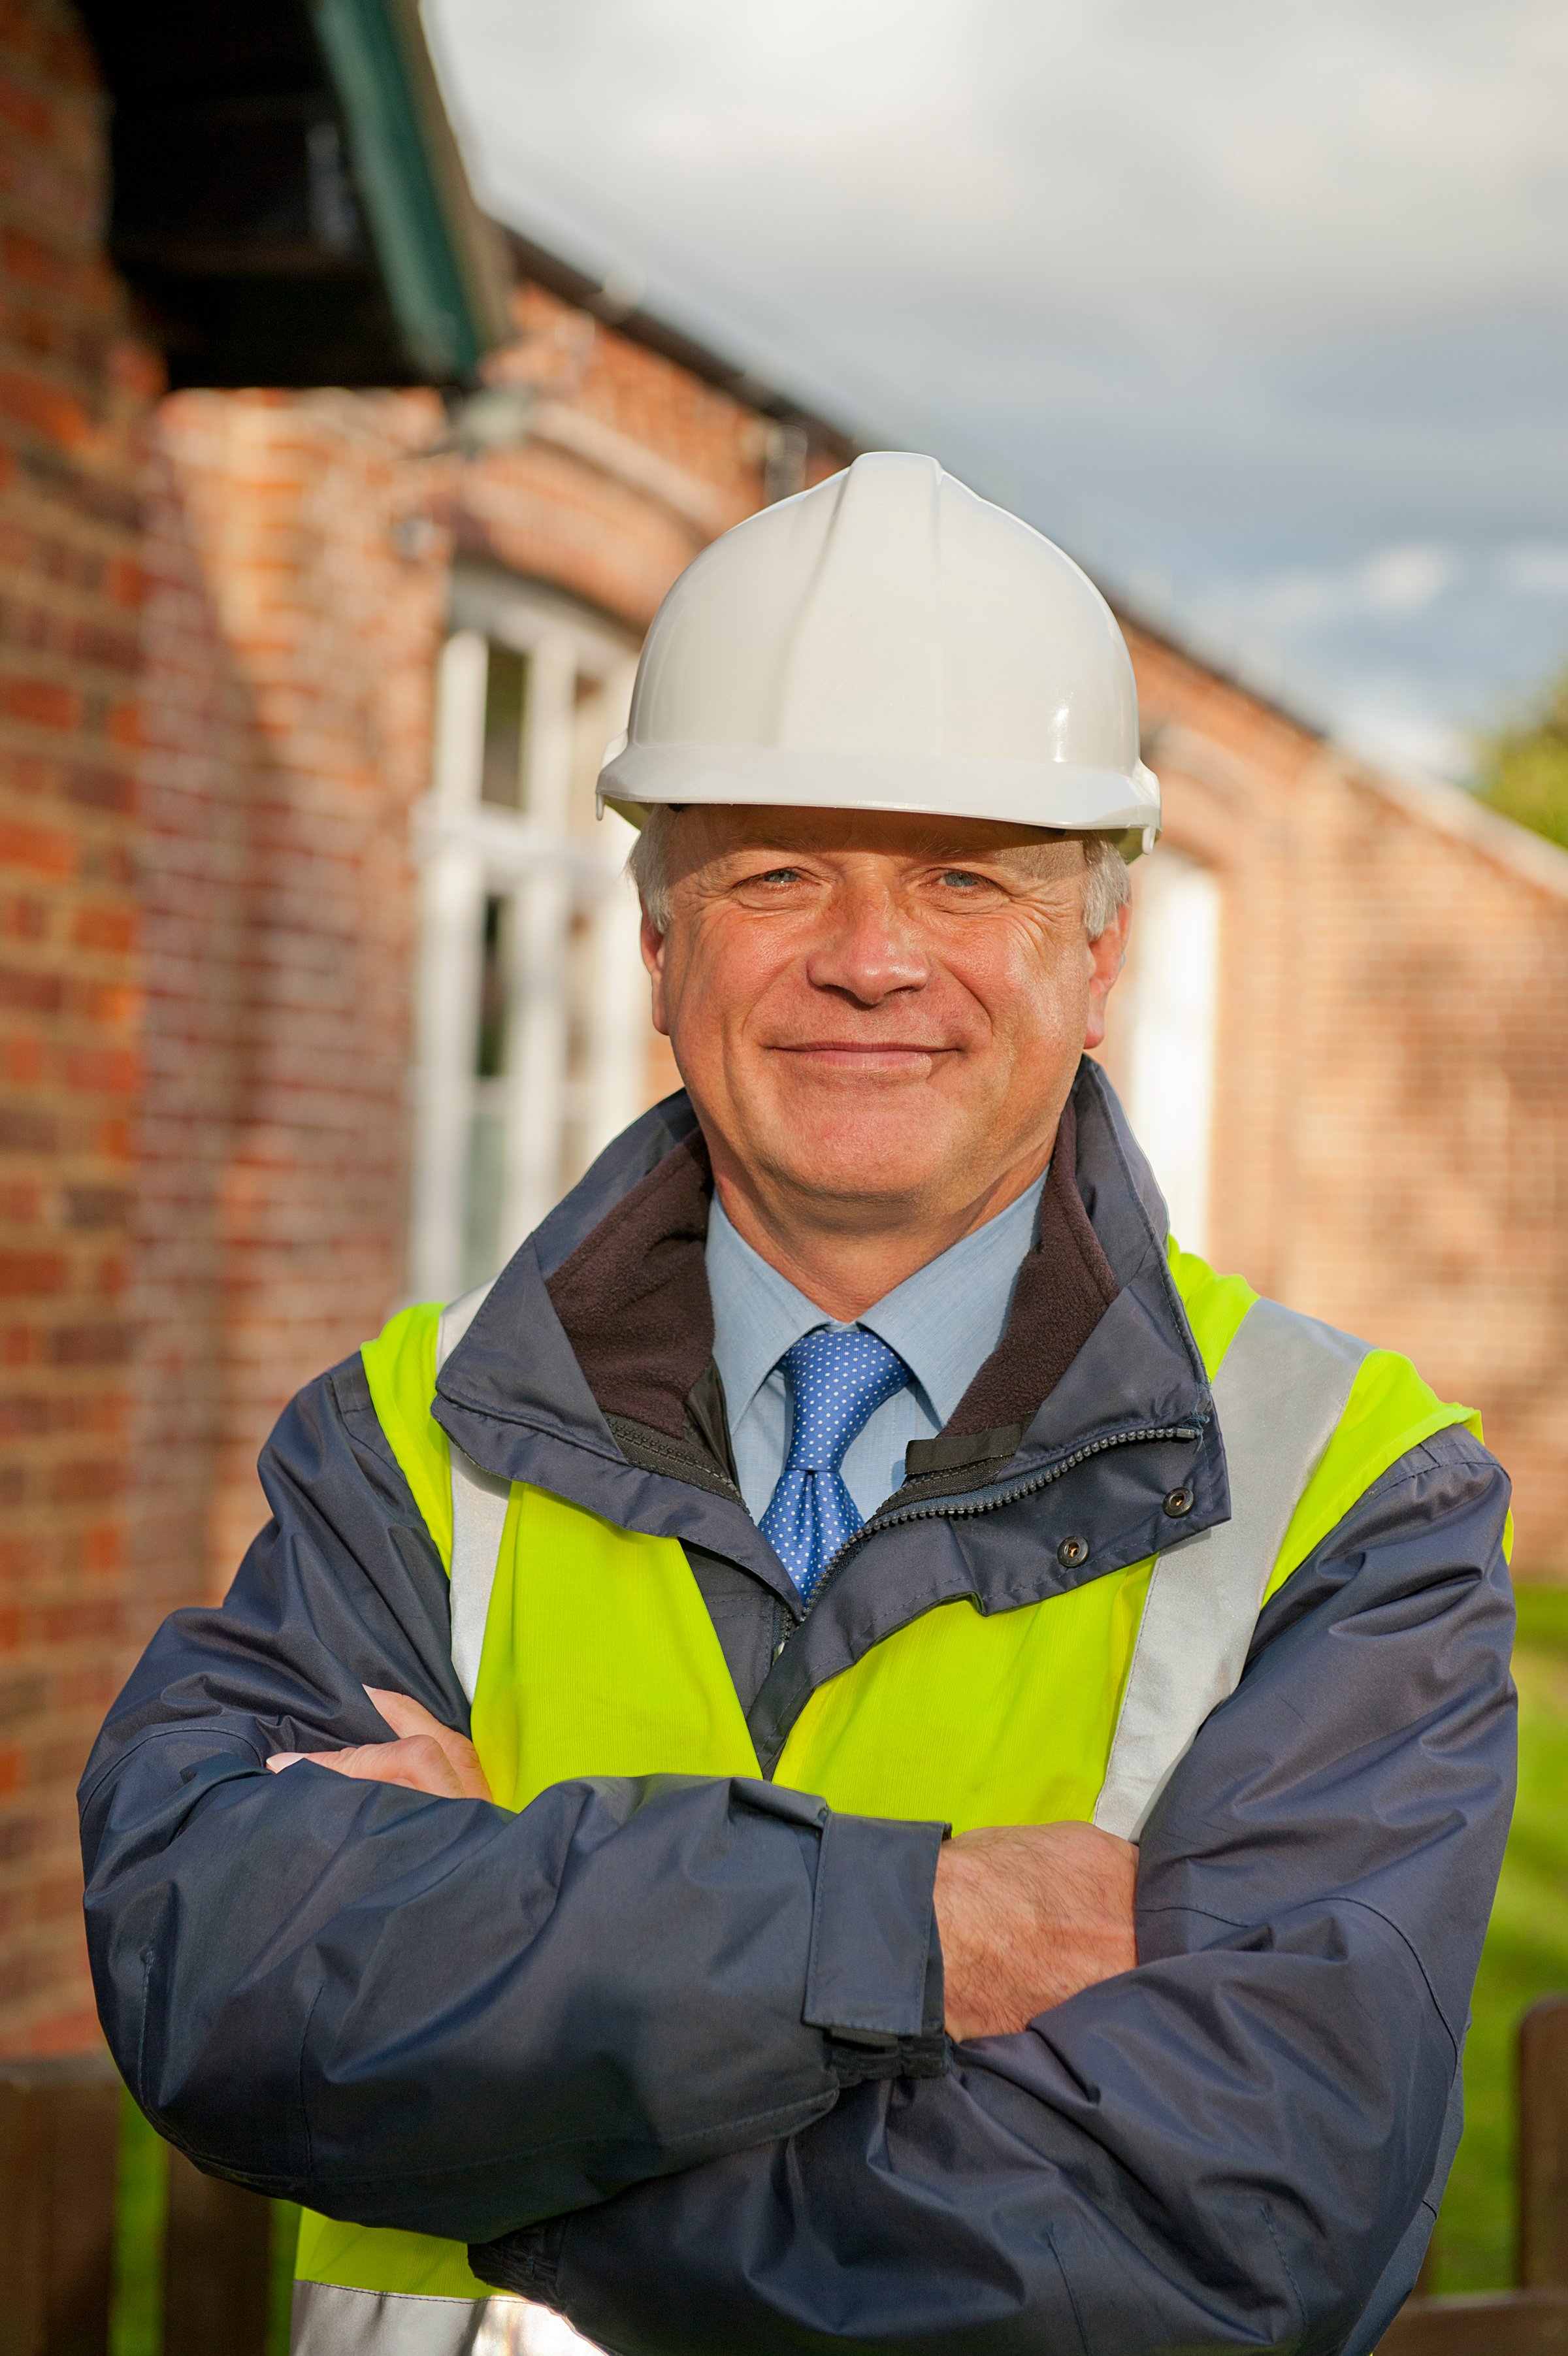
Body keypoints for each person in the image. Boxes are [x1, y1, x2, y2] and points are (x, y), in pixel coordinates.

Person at [80, 453, 1514, 2356]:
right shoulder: (402, 1437)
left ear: (1099, 961)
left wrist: (505, 2100)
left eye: (964, 880)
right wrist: (905, 1937)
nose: (869, 957)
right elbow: (231, 1978)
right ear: (663, 940)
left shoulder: (1350, 1492)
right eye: (777, 875)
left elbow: (1223, 2238)